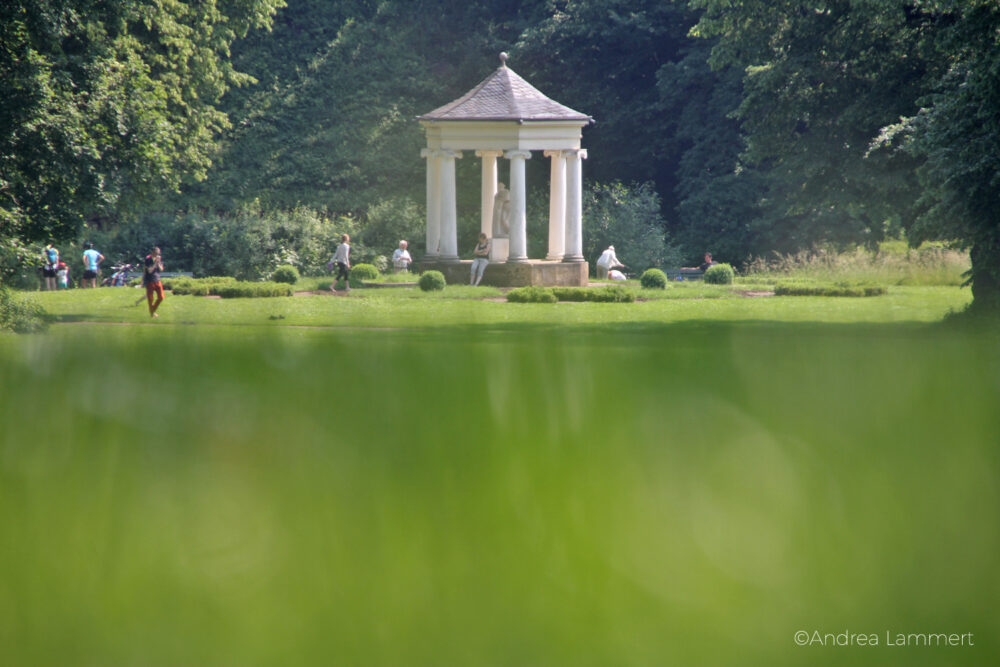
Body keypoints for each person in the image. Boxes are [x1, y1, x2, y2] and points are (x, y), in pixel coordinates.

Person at [143, 246, 165, 318]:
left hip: (157, 280)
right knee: (150, 298)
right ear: (153, 252)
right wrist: (155, 263)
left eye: (158, 253)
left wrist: (158, 263)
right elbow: (149, 271)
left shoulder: (159, 259)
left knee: (161, 297)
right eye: (156, 253)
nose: (157, 255)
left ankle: (152, 310)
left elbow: (161, 269)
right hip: (150, 280)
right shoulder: (148, 259)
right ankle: (152, 313)